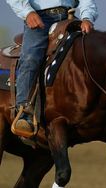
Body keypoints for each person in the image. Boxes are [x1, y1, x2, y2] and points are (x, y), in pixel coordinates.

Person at [6, 0, 98, 136]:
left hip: (70, 18)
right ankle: (24, 112)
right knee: (30, 58)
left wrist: (87, 17)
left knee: (91, 53)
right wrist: (28, 12)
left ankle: (101, 108)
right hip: (39, 17)